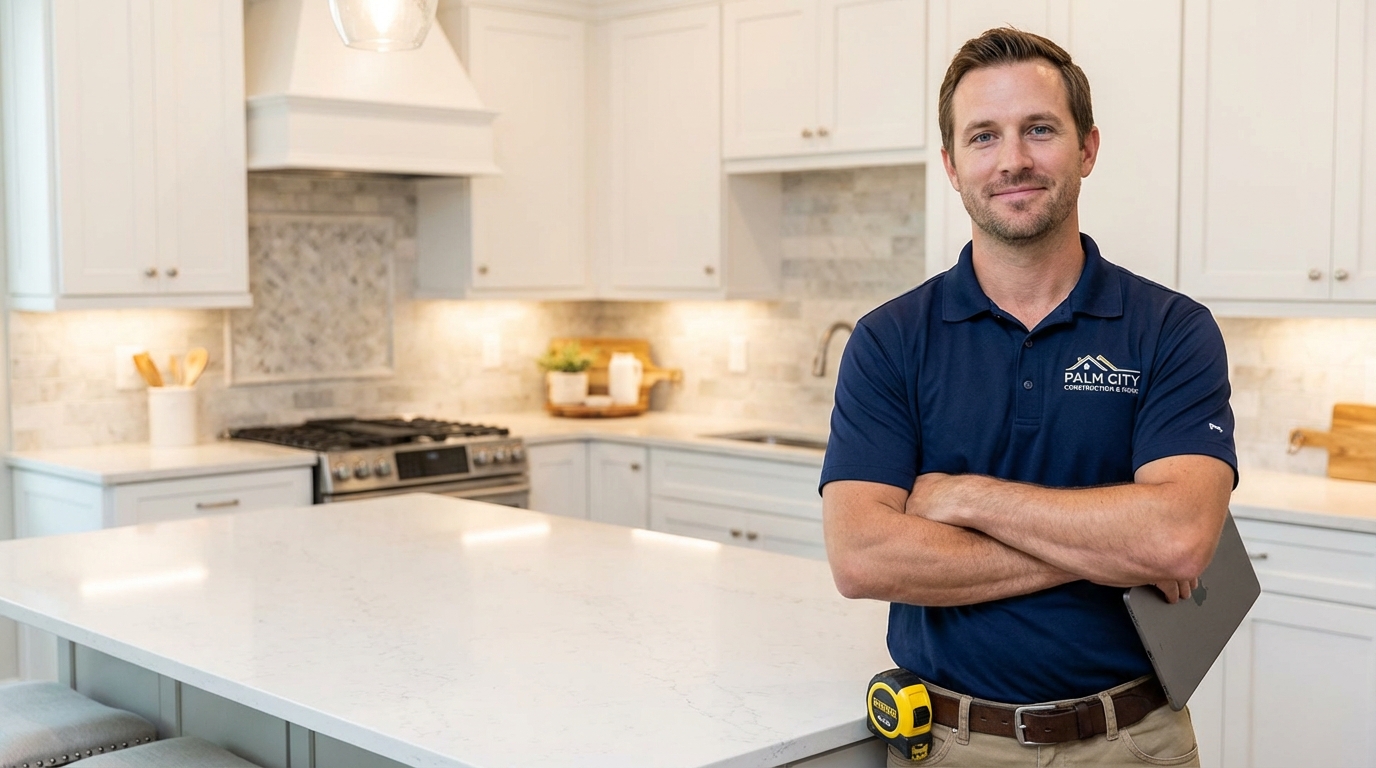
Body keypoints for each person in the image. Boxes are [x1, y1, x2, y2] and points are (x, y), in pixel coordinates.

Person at [819, 28, 1237, 767]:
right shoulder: (890, 339)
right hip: (950, 744)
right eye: (984, 136)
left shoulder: (1172, 329)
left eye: (1039, 129)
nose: (1012, 159)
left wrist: (964, 496)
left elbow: (1176, 539)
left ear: (1087, 149)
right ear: (952, 165)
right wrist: (1114, 546)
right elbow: (863, 556)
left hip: (1136, 743)